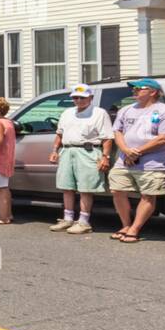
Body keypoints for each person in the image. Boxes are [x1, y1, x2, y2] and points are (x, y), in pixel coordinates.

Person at [109, 78, 165, 243]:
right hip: (125, 159)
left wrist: (138, 152)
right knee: (117, 190)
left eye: (140, 88)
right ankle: (125, 225)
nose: (135, 91)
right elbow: (117, 132)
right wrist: (126, 150)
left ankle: (135, 229)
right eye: (134, 88)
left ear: (153, 92)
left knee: (148, 195)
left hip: (153, 161)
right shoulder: (125, 110)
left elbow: (164, 138)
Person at [48, 84, 114, 235]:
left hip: (88, 151)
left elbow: (107, 138)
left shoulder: (99, 113)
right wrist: (54, 151)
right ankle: (68, 218)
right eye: (75, 97)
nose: (79, 100)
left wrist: (105, 157)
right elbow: (59, 134)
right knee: (66, 186)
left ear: (90, 97)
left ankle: (84, 222)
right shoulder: (67, 113)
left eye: (82, 97)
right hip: (67, 150)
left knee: (86, 188)